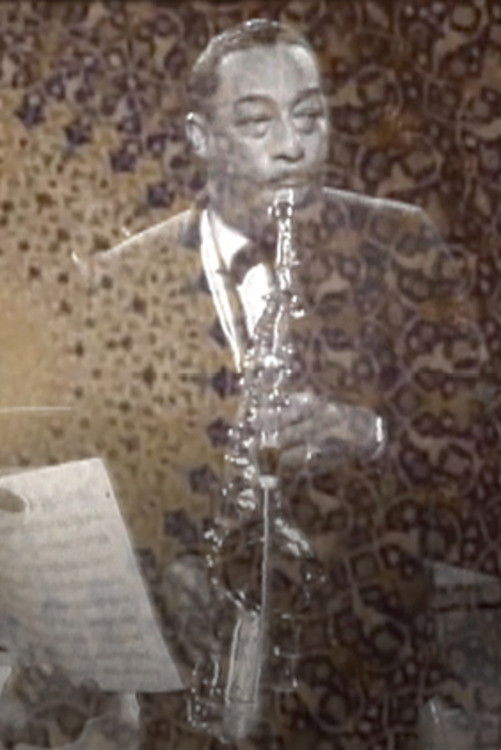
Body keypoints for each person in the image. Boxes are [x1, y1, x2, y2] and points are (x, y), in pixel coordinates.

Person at [81, 18, 485, 749]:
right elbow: (108, 479)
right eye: (256, 122)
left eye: (309, 116)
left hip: (367, 677)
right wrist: (164, 571)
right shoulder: (123, 279)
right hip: (197, 681)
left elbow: (476, 442)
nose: (293, 146)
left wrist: (369, 432)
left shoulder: (399, 243)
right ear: (201, 137)